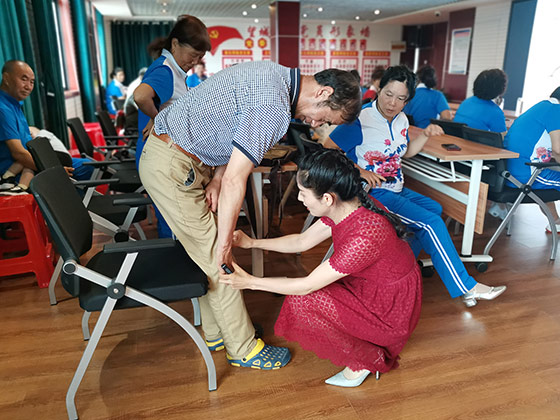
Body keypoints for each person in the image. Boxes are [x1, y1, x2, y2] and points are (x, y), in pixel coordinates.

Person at [139, 60, 361, 371]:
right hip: (172, 165)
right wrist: (224, 246)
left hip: (181, 157)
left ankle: (218, 332)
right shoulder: (273, 108)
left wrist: (217, 177)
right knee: (219, 260)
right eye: (324, 118)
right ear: (324, 93)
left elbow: (227, 129)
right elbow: (236, 180)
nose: (314, 124)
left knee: (206, 255)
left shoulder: (274, 75)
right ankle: (242, 349)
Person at [220, 149, 422, 387]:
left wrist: (249, 282)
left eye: (303, 193)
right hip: (372, 284)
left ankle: (366, 360)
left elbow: (306, 286)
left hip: (388, 307)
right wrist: (252, 243)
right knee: (307, 294)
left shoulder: (365, 235)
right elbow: (302, 241)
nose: (299, 199)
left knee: (302, 300)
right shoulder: (347, 205)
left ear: (327, 198)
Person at [327, 65, 506, 308]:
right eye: (388, 94)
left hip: (395, 188)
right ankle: (466, 287)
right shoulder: (361, 118)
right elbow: (328, 150)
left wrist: (425, 135)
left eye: (400, 98)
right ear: (379, 88)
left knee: (434, 209)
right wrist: (360, 171)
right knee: (430, 223)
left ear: (407, 100)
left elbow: (406, 152)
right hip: (370, 193)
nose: (392, 103)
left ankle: (398, 268)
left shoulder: (401, 119)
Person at [134, 15, 211, 238]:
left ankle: (175, 256)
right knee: (173, 222)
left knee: (173, 220)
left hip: (161, 157)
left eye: (200, 57)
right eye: (193, 55)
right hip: (159, 158)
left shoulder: (173, 70)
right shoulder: (165, 71)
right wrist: (158, 118)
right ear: (175, 44)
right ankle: (173, 258)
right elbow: (140, 96)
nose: (195, 61)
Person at [504, 86, 560, 232]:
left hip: (510, 172)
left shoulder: (542, 107)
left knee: (550, 177)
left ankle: (556, 222)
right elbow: (558, 150)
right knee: (549, 175)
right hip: (527, 174)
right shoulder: (556, 110)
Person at [0, 60, 38, 195]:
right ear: (6, 78)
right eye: (24, 79)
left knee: (86, 166)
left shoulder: (15, 105)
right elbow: (19, 154)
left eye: (32, 82)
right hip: (15, 169)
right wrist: (53, 169)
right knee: (88, 170)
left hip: (29, 160)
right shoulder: (3, 109)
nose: (28, 86)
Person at [28, 126, 94, 181]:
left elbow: (34, 130)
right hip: (51, 161)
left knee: (88, 164)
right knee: (88, 166)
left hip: (60, 158)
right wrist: (54, 170)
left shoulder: (40, 133)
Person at [454, 69, 508, 134]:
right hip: (475, 140)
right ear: (499, 89)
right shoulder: (496, 112)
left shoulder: (465, 103)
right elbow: (503, 138)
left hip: (456, 139)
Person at [123, 67, 148, 135]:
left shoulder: (142, 84)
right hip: (132, 117)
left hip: (135, 114)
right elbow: (137, 105)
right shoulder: (136, 85)